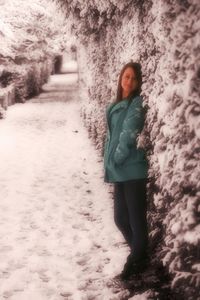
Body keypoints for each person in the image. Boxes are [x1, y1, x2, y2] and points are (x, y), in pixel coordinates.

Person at [103, 61, 149, 281]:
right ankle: (141, 257)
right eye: (126, 76)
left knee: (136, 220)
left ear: (138, 82)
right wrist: (110, 162)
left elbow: (129, 133)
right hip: (119, 170)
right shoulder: (116, 104)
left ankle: (135, 263)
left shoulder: (136, 103)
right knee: (121, 219)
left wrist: (117, 157)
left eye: (133, 78)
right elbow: (111, 137)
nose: (129, 81)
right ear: (121, 78)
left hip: (132, 169)